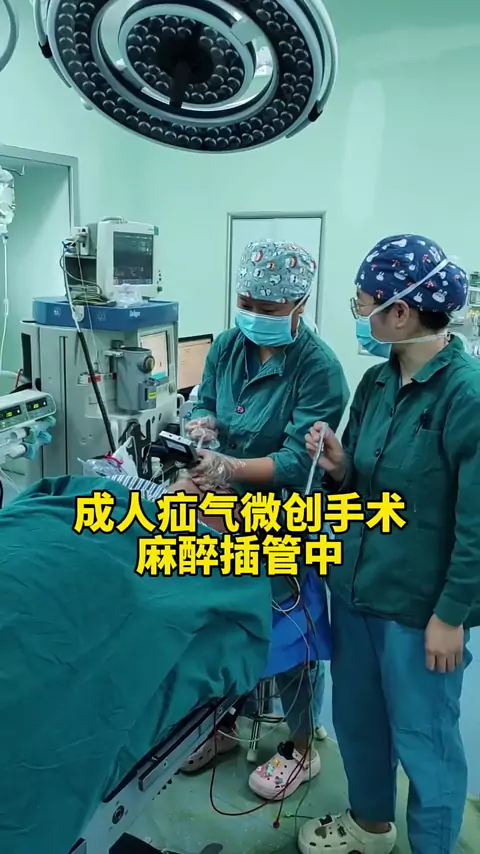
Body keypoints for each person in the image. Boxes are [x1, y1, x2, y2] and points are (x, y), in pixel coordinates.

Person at [300, 234, 480, 854]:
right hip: (355, 589)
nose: (359, 313)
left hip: (418, 609)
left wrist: (451, 616)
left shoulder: (466, 396)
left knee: (426, 743)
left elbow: (476, 523)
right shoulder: (376, 383)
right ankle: (370, 825)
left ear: (399, 311)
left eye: (362, 301)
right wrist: (338, 464)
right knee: (359, 724)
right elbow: (362, 482)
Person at [181, 238, 350, 799]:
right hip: (223, 511)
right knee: (226, 621)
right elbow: (204, 398)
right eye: (246, 302)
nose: (253, 315)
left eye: (268, 308)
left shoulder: (318, 369)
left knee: (288, 633)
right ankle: (225, 723)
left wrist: (229, 467)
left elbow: (299, 461)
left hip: (284, 517)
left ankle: (301, 747)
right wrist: (202, 424)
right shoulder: (229, 345)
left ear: (299, 303)